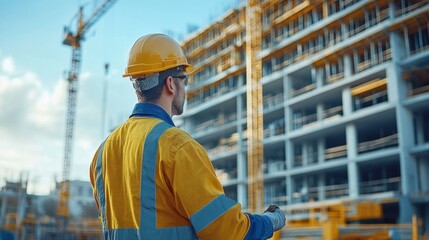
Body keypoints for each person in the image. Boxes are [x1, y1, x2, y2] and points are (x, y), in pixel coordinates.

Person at [89, 33, 286, 240]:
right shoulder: (177, 146)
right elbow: (227, 231)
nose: (185, 87)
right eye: (185, 79)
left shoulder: (102, 153)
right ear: (171, 83)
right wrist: (271, 221)